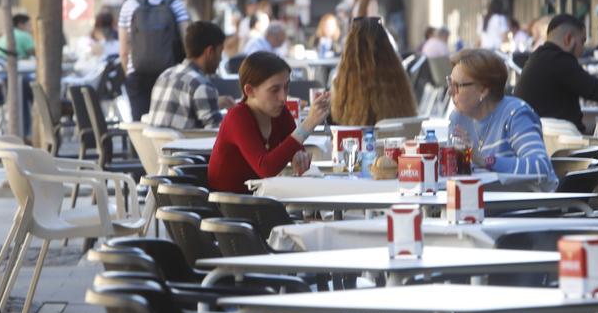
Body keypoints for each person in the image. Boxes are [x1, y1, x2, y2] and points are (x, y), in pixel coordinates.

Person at [207, 51, 331, 193]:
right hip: (228, 206)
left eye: (286, 87)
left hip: (258, 200)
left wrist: (299, 156)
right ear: (250, 90)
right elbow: (266, 168)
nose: (283, 97)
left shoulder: (280, 113)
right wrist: (308, 124)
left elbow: (295, 148)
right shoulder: (237, 117)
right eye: (274, 90)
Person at [448, 49, 555, 188]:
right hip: (481, 203)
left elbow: (540, 167)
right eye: (449, 83)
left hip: (524, 206)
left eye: (457, 86)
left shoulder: (516, 114)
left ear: (483, 90)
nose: (450, 91)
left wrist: (485, 160)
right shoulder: (459, 118)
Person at [515, 14, 598, 133]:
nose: (583, 50)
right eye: (582, 42)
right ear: (568, 39)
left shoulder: (539, 57)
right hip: (567, 146)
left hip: (544, 140)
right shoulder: (561, 60)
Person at [118, 0, 190, 121]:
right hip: (170, 75)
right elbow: (188, 41)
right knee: (167, 124)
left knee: (139, 124)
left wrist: (128, 72)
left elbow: (124, 50)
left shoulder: (130, 5)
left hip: (137, 74)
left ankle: (138, 148)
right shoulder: (176, 5)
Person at [148, 21, 235, 130]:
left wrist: (214, 103)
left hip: (156, 147)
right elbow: (218, 136)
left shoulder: (164, 76)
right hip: (184, 146)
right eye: (220, 52)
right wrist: (235, 115)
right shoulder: (202, 85)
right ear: (210, 51)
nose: (221, 59)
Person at [330, 17, 416, 126]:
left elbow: (338, 119)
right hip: (396, 140)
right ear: (388, 48)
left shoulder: (345, 85)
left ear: (350, 51)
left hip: (356, 141)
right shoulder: (399, 82)